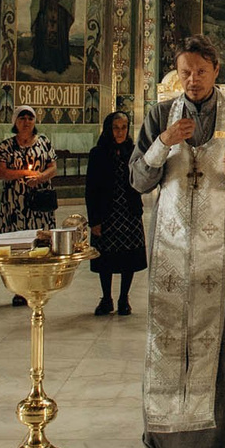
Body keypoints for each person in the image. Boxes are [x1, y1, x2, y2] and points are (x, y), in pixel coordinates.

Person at [126, 36, 225, 448]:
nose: (193, 80)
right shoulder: (159, 116)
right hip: (169, 245)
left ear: (216, 70)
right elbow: (138, 180)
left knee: (219, 341)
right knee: (166, 341)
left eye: (201, 71)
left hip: (221, 246)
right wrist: (163, 143)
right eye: (185, 72)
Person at [88, 110, 147, 315]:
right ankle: (106, 298)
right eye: (115, 128)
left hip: (129, 212)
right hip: (107, 213)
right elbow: (91, 188)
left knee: (128, 258)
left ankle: (124, 298)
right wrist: (94, 220)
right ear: (108, 129)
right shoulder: (98, 153)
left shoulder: (133, 151)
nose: (120, 132)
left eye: (123, 128)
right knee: (105, 257)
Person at [0, 106, 60, 237]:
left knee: (41, 238)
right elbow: (1, 173)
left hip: (40, 198)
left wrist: (40, 177)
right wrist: (26, 173)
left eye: (30, 118)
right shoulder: (6, 146)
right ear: (15, 121)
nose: (26, 122)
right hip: (15, 200)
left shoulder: (44, 142)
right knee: (16, 238)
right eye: (22, 118)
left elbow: (53, 168)